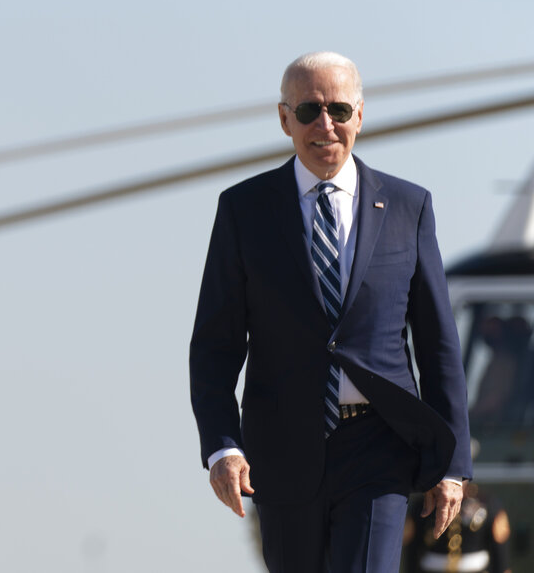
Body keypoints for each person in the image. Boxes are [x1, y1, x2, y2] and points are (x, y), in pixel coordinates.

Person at [188, 51, 473, 572]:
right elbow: (215, 345)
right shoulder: (243, 210)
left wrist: (451, 466)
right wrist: (222, 448)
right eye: (309, 111)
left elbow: (438, 344)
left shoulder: (409, 208)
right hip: (281, 448)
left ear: (359, 116)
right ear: (283, 119)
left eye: (339, 110)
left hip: (379, 447)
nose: (326, 125)